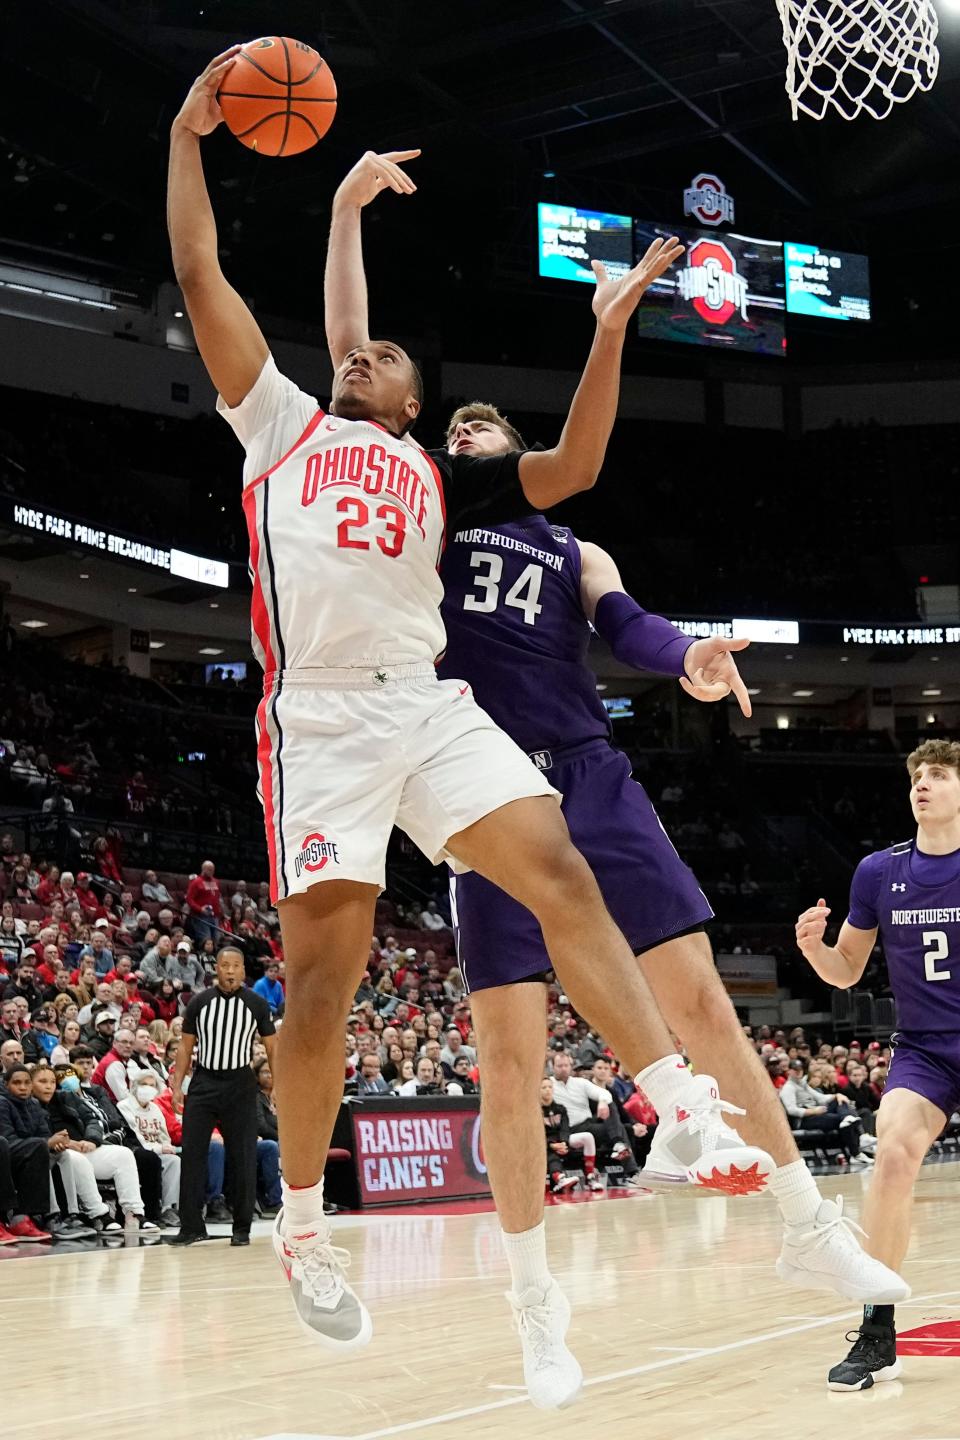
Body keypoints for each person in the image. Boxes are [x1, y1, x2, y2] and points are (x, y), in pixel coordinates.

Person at [170, 63, 751, 1374]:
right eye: (354, 347)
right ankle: (305, 1232)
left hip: (428, 710)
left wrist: (607, 332)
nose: (362, 351)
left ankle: (676, 1103)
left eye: (383, 354)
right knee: (321, 990)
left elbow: (574, 465)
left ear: (416, 403)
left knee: (557, 872)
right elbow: (205, 271)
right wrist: (223, 150)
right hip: (317, 728)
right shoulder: (281, 426)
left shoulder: (446, 475)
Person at [796, 738, 960, 1391]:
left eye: (940, 775)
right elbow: (847, 969)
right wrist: (814, 949)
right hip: (924, 1049)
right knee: (891, 1155)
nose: (924, 784)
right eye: (918, 776)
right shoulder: (877, 873)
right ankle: (877, 1327)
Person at [168, 948, 276, 1246]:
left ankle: (241, 1228)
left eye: (236, 966)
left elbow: (271, 1047)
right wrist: (178, 1085)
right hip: (204, 1082)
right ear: (216, 968)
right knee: (192, 1153)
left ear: (243, 971)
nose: (230, 971)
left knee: (243, 1156)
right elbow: (185, 1047)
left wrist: (276, 1082)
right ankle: (191, 1226)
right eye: (225, 965)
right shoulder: (199, 1002)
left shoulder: (257, 1003)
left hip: (240, 1085)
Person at [117, 1069, 181, 1227]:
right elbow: (133, 1137)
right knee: (151, 1158)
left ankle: (168, 1208)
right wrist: (159, 1149)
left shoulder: (155, 1109)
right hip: (138, 1151)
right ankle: (151, 1210)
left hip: (159, 1149)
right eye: (144, 1084)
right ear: (135, 1086)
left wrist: (166, 1146)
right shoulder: (124, 1106)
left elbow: (164, 1136)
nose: (148, 1088)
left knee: (174, 1161)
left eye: (152, 1085)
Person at [253, 1058, 282, 1214]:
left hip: (280, 1138)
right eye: (265, 1072)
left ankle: (313, 1197)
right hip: (265, 1139)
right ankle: (273, 1200)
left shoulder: (282, 1095)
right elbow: (261, 1126)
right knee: (273, 1146)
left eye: (272, 1072)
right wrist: (283, 1137)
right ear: (257, 1076)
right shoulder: (255, 1096)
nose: (270, 1075)